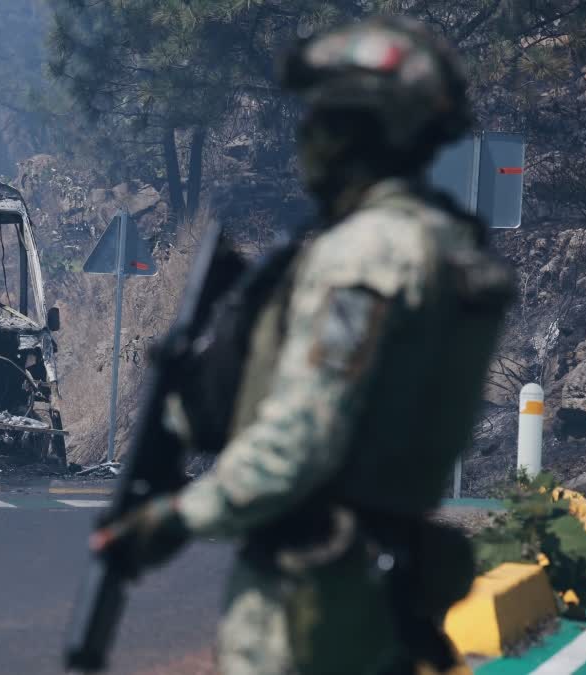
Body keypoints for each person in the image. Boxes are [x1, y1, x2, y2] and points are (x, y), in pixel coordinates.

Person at [92, 15, 514, 675]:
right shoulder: (451, 248)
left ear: (357, 133)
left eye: (322, 120)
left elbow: (306, 434)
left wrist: (177, 516)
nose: (307, 139)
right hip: (388, 584)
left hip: (313, 597)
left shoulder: (364, 257)